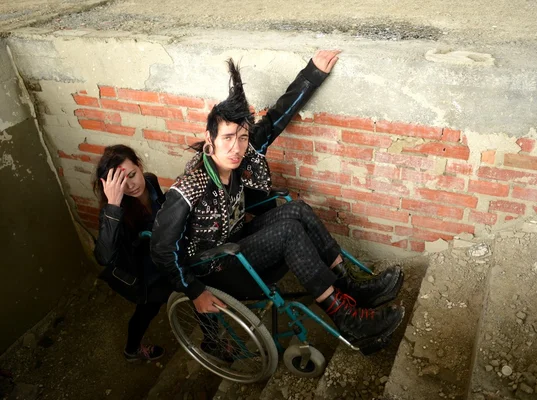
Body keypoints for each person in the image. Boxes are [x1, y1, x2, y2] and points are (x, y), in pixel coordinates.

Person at [151, 50, 404, 350]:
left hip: (238, 241)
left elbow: (276, 118)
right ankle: (348, 319)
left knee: (297, 209)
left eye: (242, 138)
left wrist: (313, 73)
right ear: (210, 139)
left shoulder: (242, 153)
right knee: (287, 233)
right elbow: (161, 249)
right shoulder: (189, 188)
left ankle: (348, 287)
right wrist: (193, 291)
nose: (236, 147)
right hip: (215, 267)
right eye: (228, 137)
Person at [93, 145, 171, 362]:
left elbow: (164, 216)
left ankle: (211, 342)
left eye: (133, 175)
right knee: (147, 310)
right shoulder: (114, 211)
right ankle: (132, 350)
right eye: (120, 182)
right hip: (144, 274)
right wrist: (113, 205)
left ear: (139, 165)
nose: (130, 185)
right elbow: (104, 257)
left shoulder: (152, 182)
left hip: (164, 259)